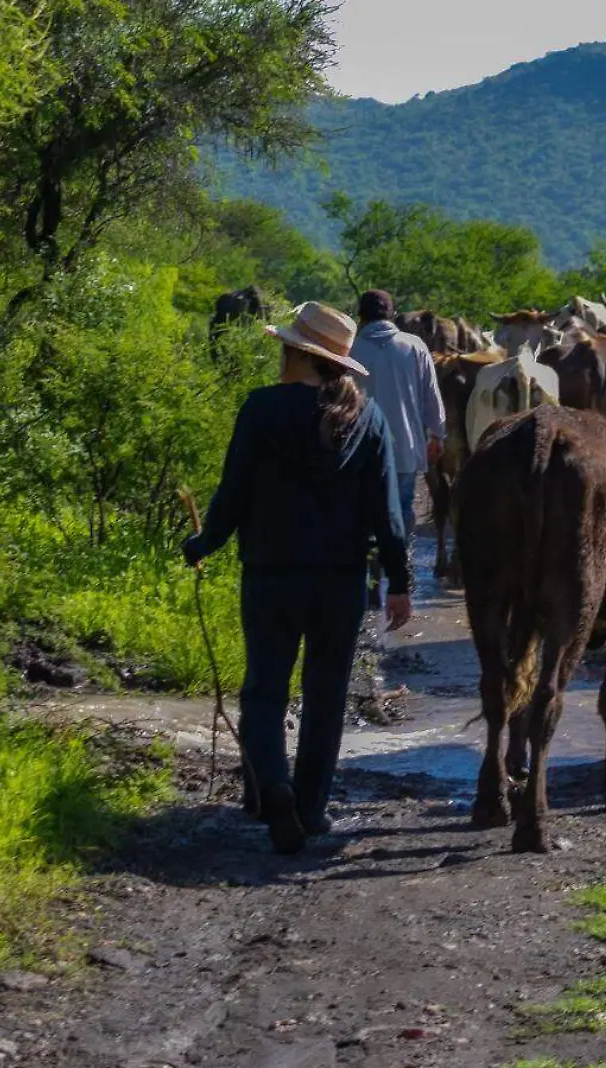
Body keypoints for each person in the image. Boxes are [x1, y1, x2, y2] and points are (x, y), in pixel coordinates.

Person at [184, 302, 413, 854]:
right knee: (327, 694)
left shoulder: (261, 410)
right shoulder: (369, 417)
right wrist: (400, 581)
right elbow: (388, 514)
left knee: (264, 690)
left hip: (270, 574)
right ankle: (311, 808)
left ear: (294, 353)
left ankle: (273, 790)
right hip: (340, 583)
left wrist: (202, 544)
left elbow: (232, 493)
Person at [348, 290, 444, 573]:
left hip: (359, 449)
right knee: (400, 510)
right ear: (392, 314)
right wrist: (437, 434)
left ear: (361, 316)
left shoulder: (349, 349)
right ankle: (401, 570)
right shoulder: (414, 346)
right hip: (404, 445)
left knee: (363, 511)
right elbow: (431, 395)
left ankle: (372, 578)